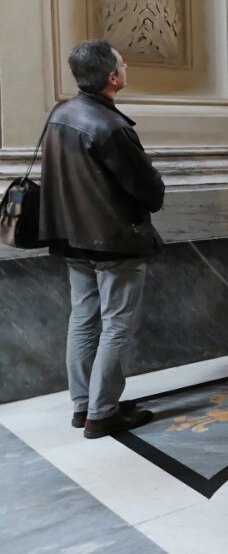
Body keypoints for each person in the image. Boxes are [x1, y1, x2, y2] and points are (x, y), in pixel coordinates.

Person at [40, 40, 165, 438]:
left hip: (71, 236)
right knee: (116, 325)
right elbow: (150, 191)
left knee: (83, 319)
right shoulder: (111, 126)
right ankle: (103, 412)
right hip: (112, 240)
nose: (126, 68)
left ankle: (83, 406)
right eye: (123, 64)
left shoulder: (60, 114)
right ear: (112, 77)